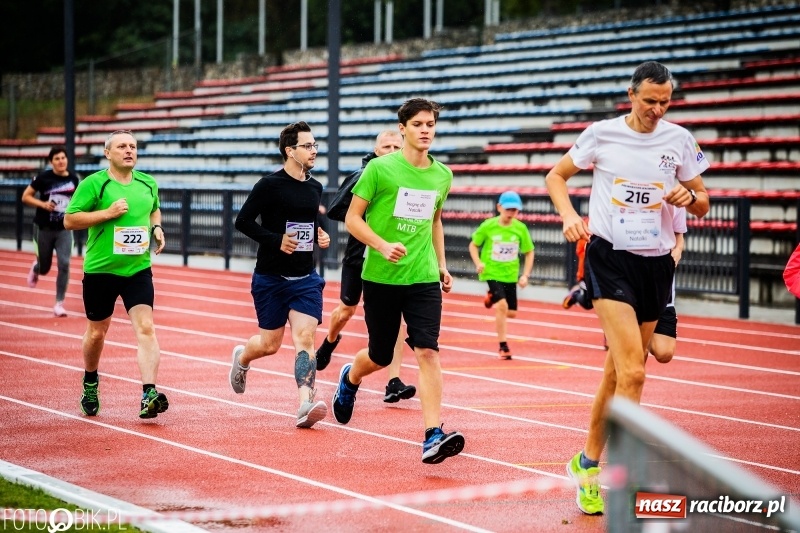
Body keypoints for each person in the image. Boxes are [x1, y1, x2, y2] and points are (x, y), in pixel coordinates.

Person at [545, 61, 710, 515]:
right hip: (609, 258)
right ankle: (625, 477)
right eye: (650, 100)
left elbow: (703, 202)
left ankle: (587, 463)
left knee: (616, 373)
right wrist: (568, 216)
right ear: (632, 94)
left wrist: (687, 197)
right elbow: (555, 177)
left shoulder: (679, 139)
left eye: (666, 102)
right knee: (635, 372)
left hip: (655, 265)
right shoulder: (602, 133)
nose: (658, 109)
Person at [333, 98, 465, 464]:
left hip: (422, 277)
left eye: (431, 125)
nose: (426, 130)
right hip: (381, 276)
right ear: (403, 128)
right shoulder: (379, 169)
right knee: (378, 354)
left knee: (427, 351)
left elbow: (435, 221)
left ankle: (432, 434)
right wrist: (380, 243)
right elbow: (353, 219)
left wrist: (441, 264)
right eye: (419, 124)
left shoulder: (443, 175)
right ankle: (350, 378)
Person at [229, 121, 331, 429]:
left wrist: (319, 233)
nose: (314, 151)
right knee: (269, 345)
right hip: (271, 278)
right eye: (308, 146)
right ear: (290, 150)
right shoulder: (268, 185)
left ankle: (305, 403)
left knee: (305, 339)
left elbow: (305, 223)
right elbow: (242, 221)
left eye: (315, 145)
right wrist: (275, 240)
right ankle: (243, 358)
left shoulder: (315, 187)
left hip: (305, 279)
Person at [64, 130, 168, 419]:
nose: (129, 150)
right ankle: (90, 382)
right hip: (101, 270)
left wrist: (156, 228)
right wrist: (106, 214)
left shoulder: (148, 183)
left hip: (137, 269)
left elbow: (154, 211)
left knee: (146, 328)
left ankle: (149, 393)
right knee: (97, 333)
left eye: (133, 146)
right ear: (108, 152)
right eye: (122, 146)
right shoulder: (94, 184)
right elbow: (70, 220)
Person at [317, 130, 417, 403]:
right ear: (375, 151)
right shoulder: (366, 173)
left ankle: (393, 381)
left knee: (396, 319)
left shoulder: (411, 177)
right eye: (386, 145)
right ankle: (329, 341)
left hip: (392, 257)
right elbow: (338, 208)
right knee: (347, 309)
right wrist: (367, 211)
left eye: (397, 145)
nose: (392, 149)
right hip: (359, 255)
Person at [564, 212, 687, 363]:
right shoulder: (604, 216)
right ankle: (618, 343)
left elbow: (681, 231)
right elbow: (584, 251)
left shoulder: (674, 193)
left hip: (659, 275)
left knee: (664, 353)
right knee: (634, 351)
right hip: (620, 272)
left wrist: (678, 249)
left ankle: (625, 341)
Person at [468, 190, 534, 360]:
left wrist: (525, 275)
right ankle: (503, 346)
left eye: (515, 210)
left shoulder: (520, 228)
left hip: (510, 274)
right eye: (508, 209)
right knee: (502, 306)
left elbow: (529, 252)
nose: (511, 213)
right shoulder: (488, 226)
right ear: (499, 207)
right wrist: (479, 263)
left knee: (511, 313)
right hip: (492, 272)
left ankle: (491, 297)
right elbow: (473, 245)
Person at [21, 146, 80, 317]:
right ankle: (37, 267)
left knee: (65, 264)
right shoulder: (43, 178)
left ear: (67, 159)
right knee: (45, 268)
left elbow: (78, 200)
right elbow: (26, 197)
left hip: (64, 229)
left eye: (63, 158)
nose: (61, 161)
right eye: (57, 159)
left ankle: (59, 303)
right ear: (51, 161)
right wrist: (43, 205)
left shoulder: (73, 179)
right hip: (43, 228)